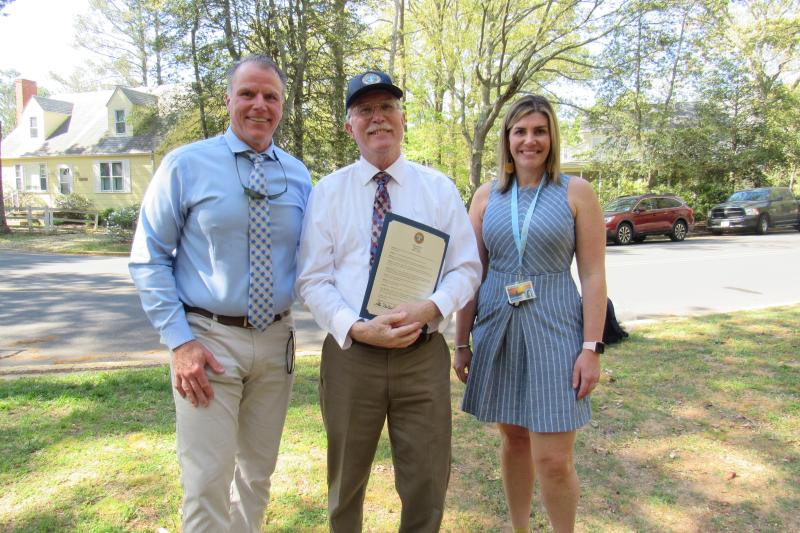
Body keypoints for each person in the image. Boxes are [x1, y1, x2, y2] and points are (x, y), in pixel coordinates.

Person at [129, 54, 312, 533]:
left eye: (270, 96)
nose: (259, 105)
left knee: (256, 475)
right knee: (207, 479)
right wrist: (180, 341)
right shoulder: (186, 165)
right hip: (207, 342)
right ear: (228, 99)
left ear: (282, 106)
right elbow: (149, 256)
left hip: (276, 344)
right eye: (248, 93)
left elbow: (322, 255)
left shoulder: (298, 175)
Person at [296, 70, 481, 532]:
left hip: (421, 358)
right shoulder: (328, 193)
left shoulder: (437, 189)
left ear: (402, 118)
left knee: (426, 482)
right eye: (365, 110)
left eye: (387, 108)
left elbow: (467, 268)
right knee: (346, 483)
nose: (377, 118)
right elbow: (313, 279)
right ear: (349, 126)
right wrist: (355, 326)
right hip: (351, 356)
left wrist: (432, 308)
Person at [454, 95, 606, 533]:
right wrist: (462, 343)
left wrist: (591, 347)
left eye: (539, 130)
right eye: (520, 131)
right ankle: (519, 528)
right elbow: (471, 276)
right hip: (500, 328)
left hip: (558, 328)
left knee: (554, 458)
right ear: (507, 138)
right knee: (514, 440)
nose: (529, 140)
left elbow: (594, 275)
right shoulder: (486, 196)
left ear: (552, 136)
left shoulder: (575, 191)